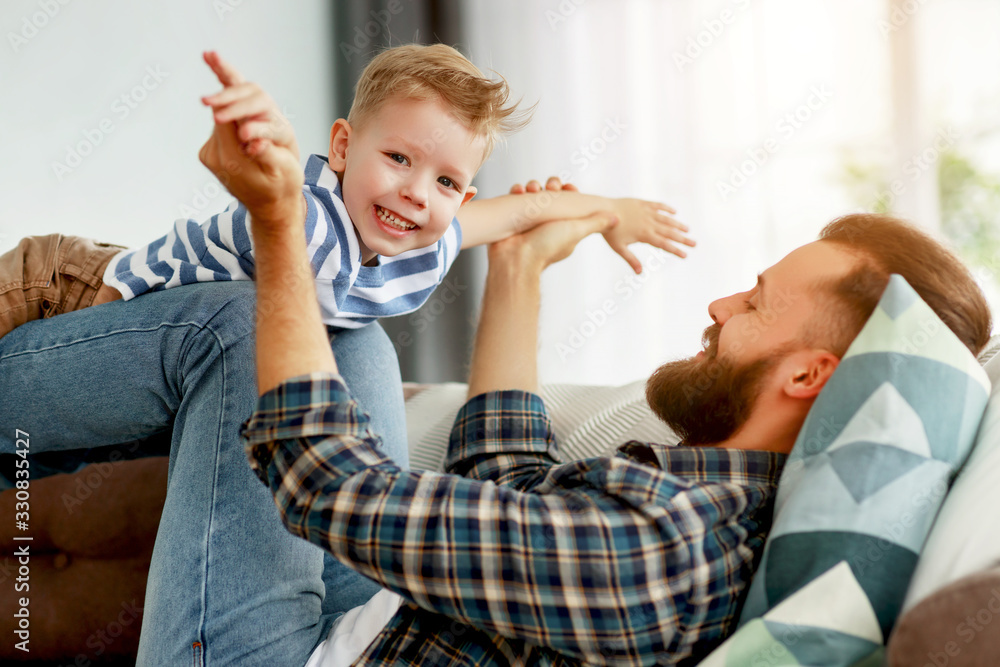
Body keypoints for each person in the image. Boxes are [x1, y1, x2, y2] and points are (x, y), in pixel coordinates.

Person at [202, 58, 992, 666]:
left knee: (241, 321)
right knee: (357, 335)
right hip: (350, 621)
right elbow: (500, 483)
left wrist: (279, 221)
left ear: (807, 375)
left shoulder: (672, 548)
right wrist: (520, 266)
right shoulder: (680, 493)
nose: (719, 308)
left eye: (755, 303)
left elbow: (326, 480)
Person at [0, 45, 694, 342]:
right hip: (69, 281)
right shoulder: (309, 212)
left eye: (447, 181)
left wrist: (611, 212)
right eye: (397, 157)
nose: (418, 192)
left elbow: (525, 208)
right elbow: (277, 193)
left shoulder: (429, 242)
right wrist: (264, 136)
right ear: (339, 149)